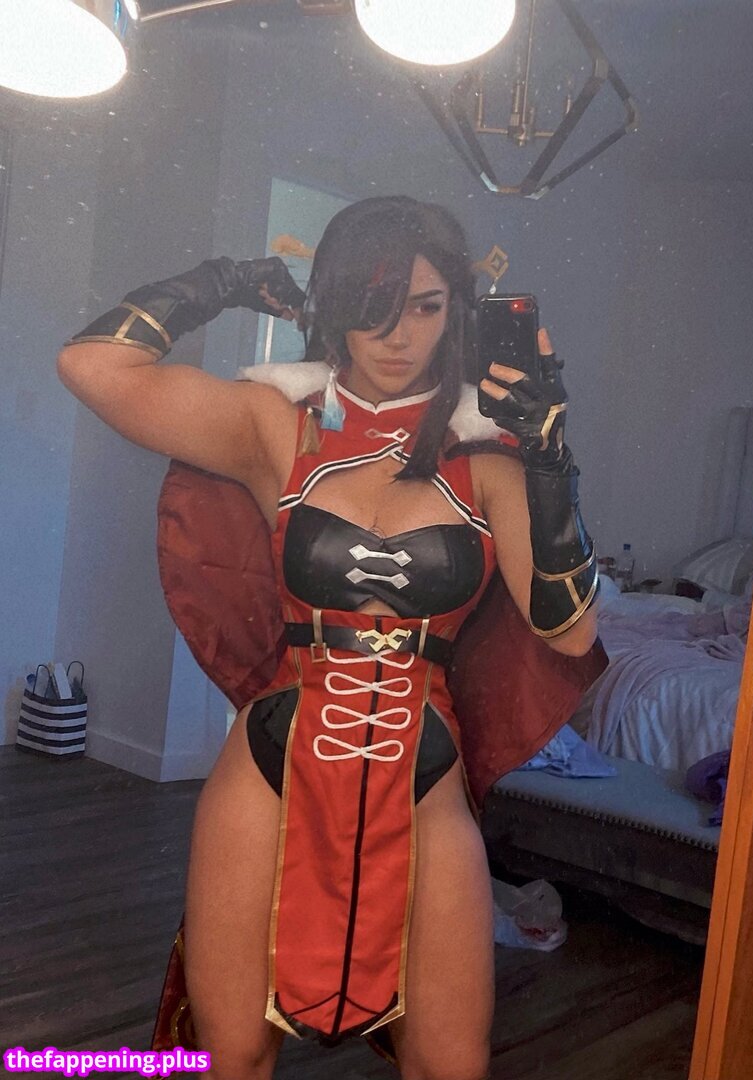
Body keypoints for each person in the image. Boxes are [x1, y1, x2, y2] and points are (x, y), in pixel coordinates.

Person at [58, 196, 603, 1080]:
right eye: (368, 305)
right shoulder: (277, 424)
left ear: (456, 312)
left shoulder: (489, 456)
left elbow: (569, 634)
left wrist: (549, 466)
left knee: (449, 1065)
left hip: (423, 771)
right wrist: (222, 282)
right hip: (271, 760)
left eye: (423, 307)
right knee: (235, 1055)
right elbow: (91, 365)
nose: (395, 336)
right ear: (330, 304)